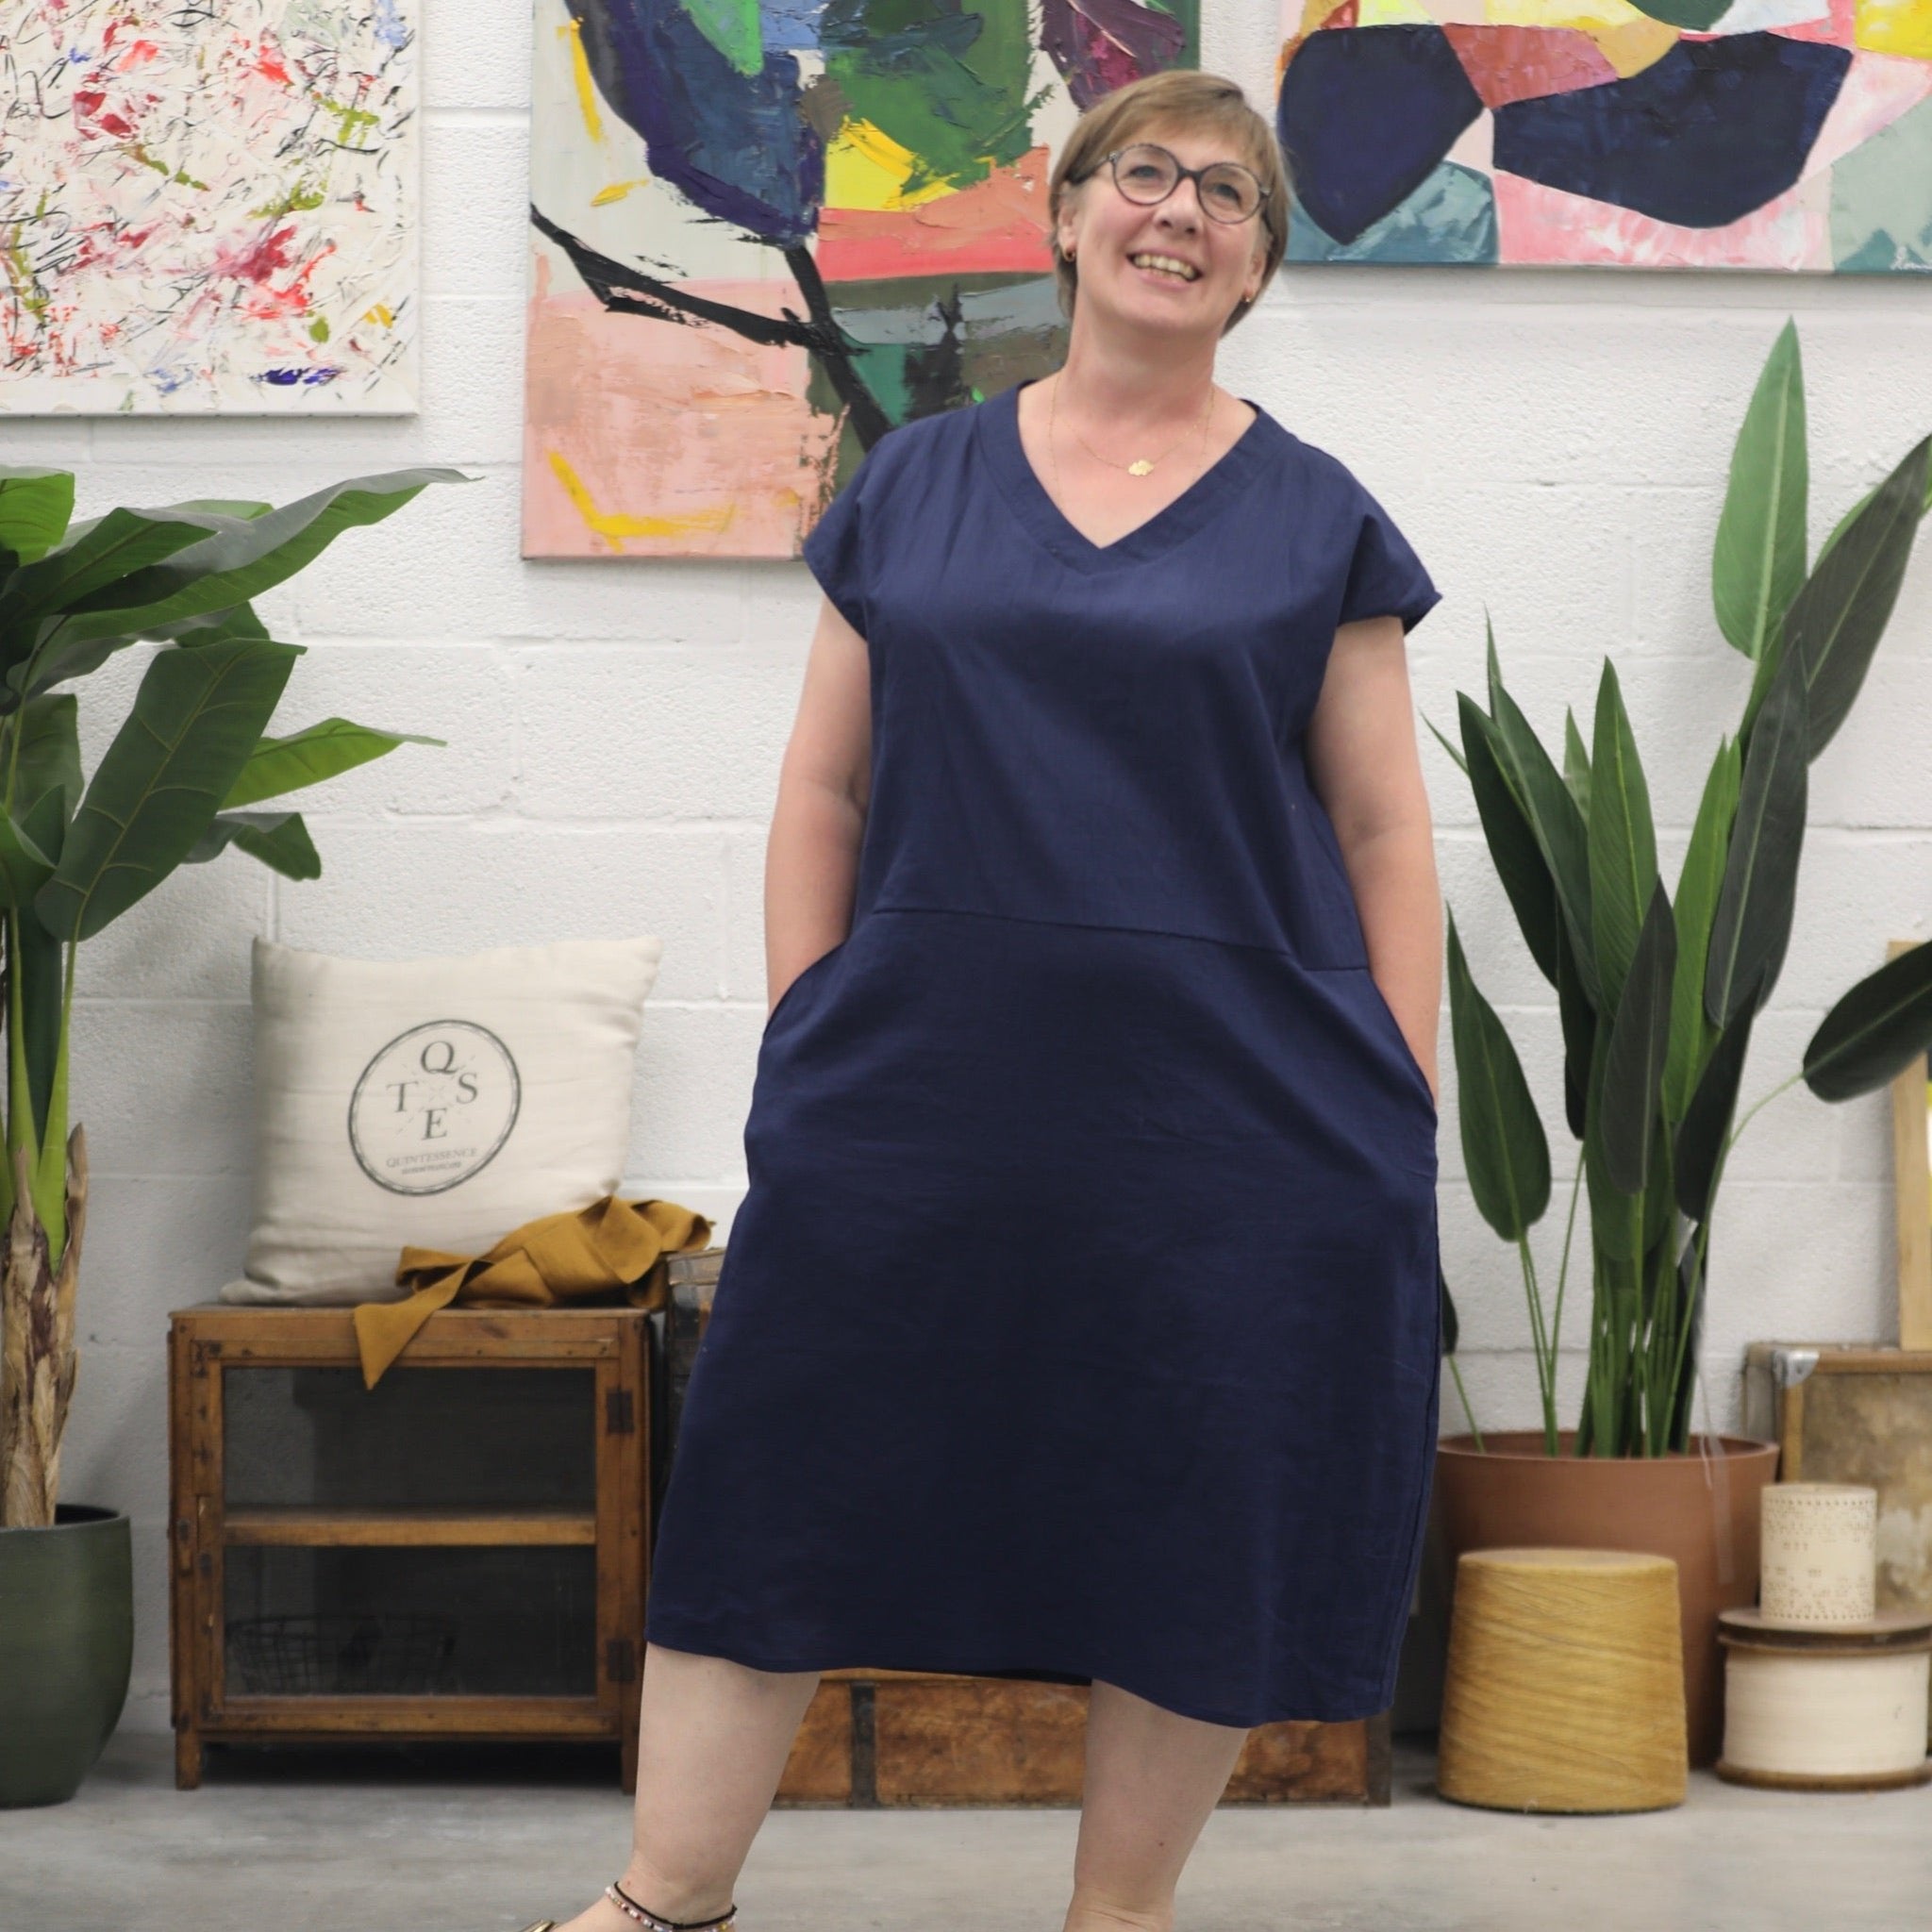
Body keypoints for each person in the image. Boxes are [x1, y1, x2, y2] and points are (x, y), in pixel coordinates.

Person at [523, 67, 1444, 1932]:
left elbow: (1380, 830)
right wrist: (808, 1037)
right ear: (1069, 214)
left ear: (1259, 265)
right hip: (914, 1099)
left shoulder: (1318, 517)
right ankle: (663, 1902)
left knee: (1186, 1515)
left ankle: (1118, 1917)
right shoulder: (918, 480)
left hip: (1236, 1124)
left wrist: (1395, 1098)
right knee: (779, 1475)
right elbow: (823, 792)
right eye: (1145, 173)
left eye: (1230, 196)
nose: (1181, 213)